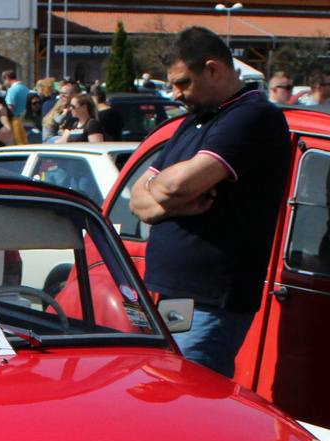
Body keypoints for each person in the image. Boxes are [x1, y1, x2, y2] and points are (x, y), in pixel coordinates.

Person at [129, 26, 290, 378]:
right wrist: (173, 203)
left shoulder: (252, 116)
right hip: (175, 295)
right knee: (166, 397)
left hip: (211, 300)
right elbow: (137, 200)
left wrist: (167, 193)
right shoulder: (194, 122)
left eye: (183, 83)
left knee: (190, 402)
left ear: (213, 69)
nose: (175, 94)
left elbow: (177, 184)